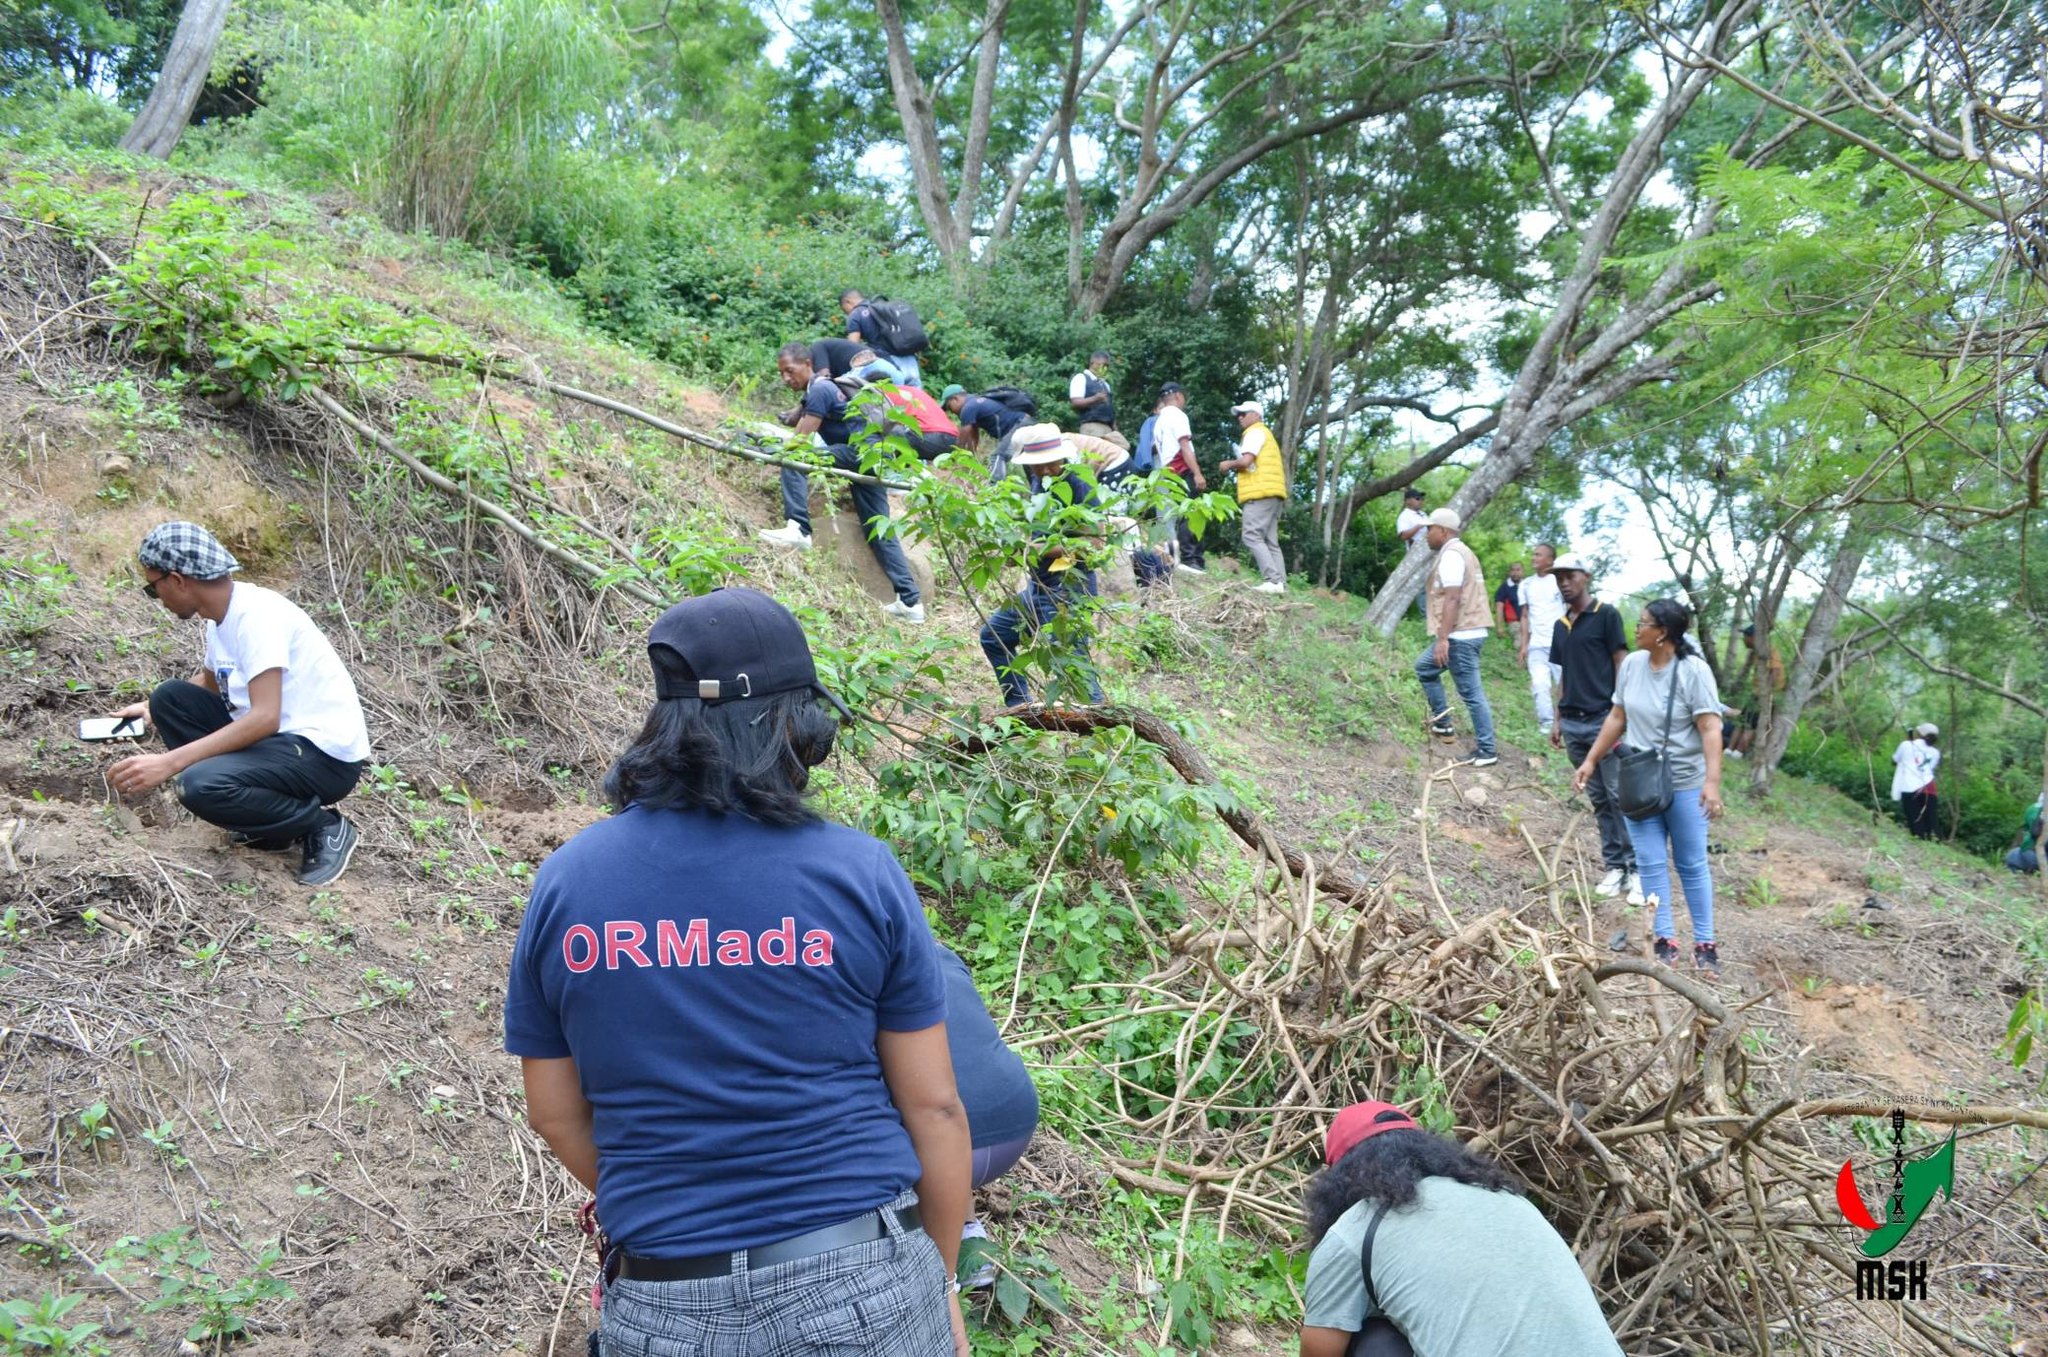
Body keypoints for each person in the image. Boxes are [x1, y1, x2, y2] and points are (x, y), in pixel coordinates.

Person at [505, 587, 970, 1357]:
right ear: (791, 726)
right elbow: (937, 1108)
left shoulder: (568, 883)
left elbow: (554, 1114)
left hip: (662, 1305)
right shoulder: (859, 873)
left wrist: (673, 1209)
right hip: (864, 1289)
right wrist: (941, 1282)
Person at [105, 522, 370, 887]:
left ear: (178, 580)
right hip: (281, 745)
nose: (157, 598)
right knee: (169, 698)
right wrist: (152, 709)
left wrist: (168, 763)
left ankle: (323, 826)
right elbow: (210, 684)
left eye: (154, 588)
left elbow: (265, 718)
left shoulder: (256, 617)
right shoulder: (221, 616)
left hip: (323, 756)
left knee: (199, 785)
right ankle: (270, 825)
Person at [1297, 1100, 1623, 1357]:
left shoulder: (1356, 1229)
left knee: (1372, 1339)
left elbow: (1319, 1351)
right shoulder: (1509, 1201)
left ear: (1337, 1181)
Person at [1573, 600, 1726, 976]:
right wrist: (1591, 760)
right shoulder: (1632, 666)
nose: (1636, 629)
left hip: (1684, 781)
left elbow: (1710, 727)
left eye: (1643, 624)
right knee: (1651, 863)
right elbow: (1617, 716)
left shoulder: (1693, 671)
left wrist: (1711, 783)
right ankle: (1664, 940)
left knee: (1691, 863)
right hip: (1639, 781)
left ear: (1663, 633)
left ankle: (1705, 944)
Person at [758, 343, 926, 625]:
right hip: (874, 457)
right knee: (877, 527)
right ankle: (911, 602)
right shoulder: (820, 392)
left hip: (861, 453)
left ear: (808, 364)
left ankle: (798, 528)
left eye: (790, 370)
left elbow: (799, 442)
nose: (786, 378)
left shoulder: (821, 389)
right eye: (782, 374)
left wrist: (769, 450)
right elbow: (799, 425)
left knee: (795, 456)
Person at [980, 427, 1107, 708]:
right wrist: (1015, 552)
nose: (1047, 469)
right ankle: (1019, 708)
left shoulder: (1078, 482)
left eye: (1052, 462)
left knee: (1071, 664)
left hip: (1069, 591)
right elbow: (1038, 537)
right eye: (1040, 464)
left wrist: (1035, 550)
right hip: (1039, 588)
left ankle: (1099, 720)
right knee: (994, 636)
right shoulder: (1038, 483)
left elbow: (1096, 542)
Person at [935, 944, 1038, 1285]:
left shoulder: (867, 965)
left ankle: (938, 1268)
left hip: (948, 1145)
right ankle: (971, 1239)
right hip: (1017, 1118)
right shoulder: (944, 955)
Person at [1548, 556, 1640, 906]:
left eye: (1569, 576)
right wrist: (1558, 718)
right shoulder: (1561, 625)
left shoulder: (1606, 615)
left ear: (1585, 577)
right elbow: (1564, 674)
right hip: (1573, 723)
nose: (1564, 583)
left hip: (1605, 718)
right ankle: (1614, 866)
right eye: (1559, 578)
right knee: (1599, 797)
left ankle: (1637, 869)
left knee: (1620, 795)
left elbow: (1621, 662)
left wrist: (1622, 710)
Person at [1414, 509, 1497, 767]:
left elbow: (1453, 598)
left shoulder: (1451, 555)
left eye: (1429, 529)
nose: (1426, 534)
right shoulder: (1463, 552)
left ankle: (1487, 750)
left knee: (1472, 694)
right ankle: (1443, 724)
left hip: (1461, 636)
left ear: (1442, 530)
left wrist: (1443, 639)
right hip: (1466, 632)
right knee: (1424, 667)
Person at [1220, 400, 1288, 595]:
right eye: (1238, 415)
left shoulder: (1254, 432)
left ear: (1257, 415)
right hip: (1273, 492)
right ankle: (1280, 584)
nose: (1240, 418)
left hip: (1260, 492)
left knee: (1251, 535)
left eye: (1244, 413)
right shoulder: (1266, 434)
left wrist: (1228, 464)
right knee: (1270, 540)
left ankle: (1272, 580)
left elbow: (1246, 461)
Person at [1154, 383, 1207, 574]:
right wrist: (1197, 473)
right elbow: (1184, 445)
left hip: (1168, 471)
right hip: (1182, 468)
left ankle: (1183, 558)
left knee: (1177, 514)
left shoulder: (1159, 420)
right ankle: (1191, 559)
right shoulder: (1178, 415)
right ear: (1178, 396)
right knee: (1191, 512)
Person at [1515, 544, 1566, 738]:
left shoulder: (1560, 581)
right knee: (1539, 684)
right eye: (1534, 554)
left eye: (1539, 555)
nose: (1534, 558)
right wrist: (1524, 645)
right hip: (1537, 644)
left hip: (1560, 643)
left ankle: (1567, 721)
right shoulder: (1526, 584)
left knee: (1565, 684)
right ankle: (1546, 722)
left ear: (1550, 560)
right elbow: (1524, 616)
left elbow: (1571, 609)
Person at [940, 385, 1034, 480]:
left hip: (1019, 425)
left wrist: (954, 459)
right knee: (1029, 461)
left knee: (998, 456)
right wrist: (970, 457)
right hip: (1026, 422)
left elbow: (962, 440)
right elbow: (973, 437)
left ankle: (994, 486)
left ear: (955, 399)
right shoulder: (975, 402)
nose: (951, 412)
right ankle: (1037, 487)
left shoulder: (968, 408)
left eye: (949, 407)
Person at [840, 288, 923, 386]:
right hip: (909, 358)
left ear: (847, 302)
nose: (846, 313)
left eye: (844, 310)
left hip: (888, 362)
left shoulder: (856, 314)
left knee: (895, 393)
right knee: (915, 394)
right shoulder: (884, 307)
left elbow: (852, 347)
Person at [1728, 623, 1786, 758]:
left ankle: (1738, 752)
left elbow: (1775, 672)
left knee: (1752, 724)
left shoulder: (1770, 651)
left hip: (1765, 694)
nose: (1744, 640)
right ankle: (1729, 750)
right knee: (1742, 721)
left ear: (1753, 637)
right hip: (1757, 693)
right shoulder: (1758, 652)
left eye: (1746, 636)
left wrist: (1765, 693)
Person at [1890, 724, 1941, 840]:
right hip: (1929, 788)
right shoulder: (1936, 753)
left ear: (1919, 734)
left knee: (1915, 820)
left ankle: (1919, 839)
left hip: (1910, 787)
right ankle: (1934, 841)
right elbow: (1928, 768)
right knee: (1932, 821)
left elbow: (1894, 761)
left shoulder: (1905, 745)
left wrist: (1907, 744)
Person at [1068, 351, 1126, 449]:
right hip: (1092, 425)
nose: (1105, 368)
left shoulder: (1105, 384)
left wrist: (1115, 428)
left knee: (1123, 447)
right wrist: (1095, 399)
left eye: (1107, 366)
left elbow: (1109, 408)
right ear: (1093, 363)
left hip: (1108, 428)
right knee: (1096, 454)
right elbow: (1075, 402)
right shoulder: (1081, 378)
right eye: (1102, 365)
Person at [1395, 488, 1428, 616]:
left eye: (1421, 499)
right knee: (1421, 586)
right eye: (1418, 498)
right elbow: (1403, 535)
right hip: (1416, 553)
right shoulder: (1405, 516)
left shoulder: (1423, 514)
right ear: (1408, 500)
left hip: (1430, 551)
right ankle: (1424, 615)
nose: (1421, 501)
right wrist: (1419, 526)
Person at [2006, 798, 2042, 874]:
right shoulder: (2035, 810)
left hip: (2028, 853)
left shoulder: (2033, 808)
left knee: (2013, 855)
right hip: (2032, 854)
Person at [1492, 561, 1524, 637]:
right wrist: (1500, 627)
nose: (1515, 573)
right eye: (1513, 570)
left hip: (1530, 622)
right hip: (1514, 623)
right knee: (1520, 639)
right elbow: (1499, 607)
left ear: (1523, 571)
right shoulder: (1504, 588)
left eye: (1518, 570)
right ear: (1509, 572)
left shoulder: (1527, 585)